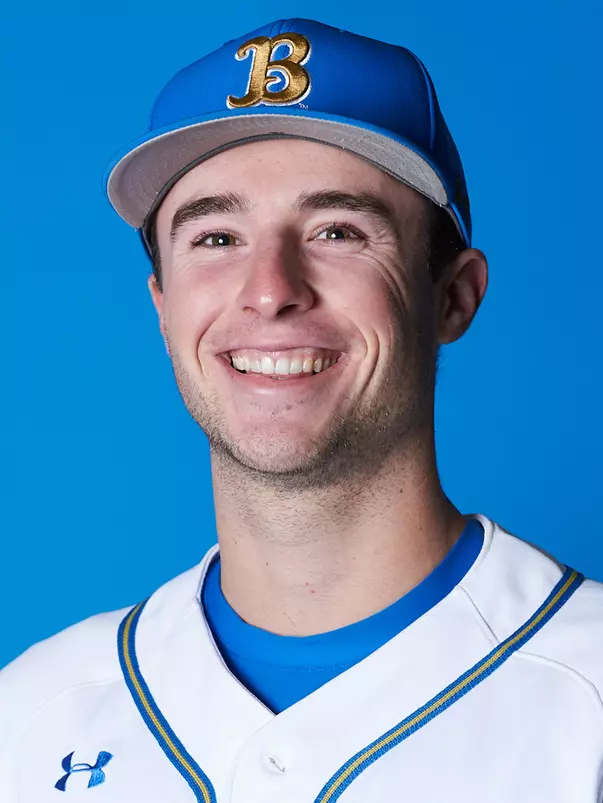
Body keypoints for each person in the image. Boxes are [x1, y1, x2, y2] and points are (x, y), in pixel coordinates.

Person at [1, 17, 602, 803]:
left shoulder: (584, 693)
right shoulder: (30, 716)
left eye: (337, 230)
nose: (270, 289)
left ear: (452, 296)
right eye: (216, 237)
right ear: (162, 304)